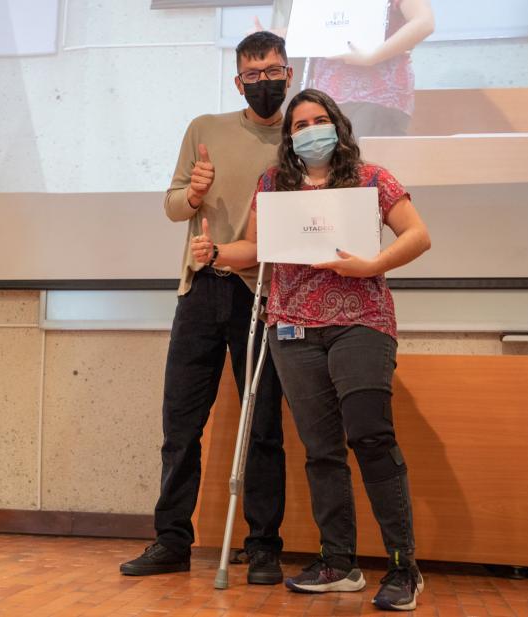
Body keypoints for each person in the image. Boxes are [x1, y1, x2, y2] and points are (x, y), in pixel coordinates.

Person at [190, 88, 431, 610]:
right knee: (321, 450)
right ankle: (339, 563)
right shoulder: (274, 184)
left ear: (337, 126)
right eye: (299, 125)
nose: (310, 131)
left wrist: (372, 265)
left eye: (319, 121)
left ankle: (402, 566)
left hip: (360, 323)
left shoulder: (371, 178)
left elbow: (418, 235)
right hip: (292, 329)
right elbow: (255, 249)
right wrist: (216, 253)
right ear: (289, 137)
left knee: (370, 436)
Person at [120, 31, 292, 585]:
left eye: (273, 72)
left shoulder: (301, 135)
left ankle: (263, 547)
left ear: (289, 74)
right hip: (199, 289)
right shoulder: (205, 129)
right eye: (253, 75)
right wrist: (194, 193)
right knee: (180, 424)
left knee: (262, 426)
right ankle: (172, 540)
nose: (264, 82)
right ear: (238, 81)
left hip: (261, 293)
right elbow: (173, 206)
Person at [264, 0, 435, 136]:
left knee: (368, 164)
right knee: (336, 166)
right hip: (328, 99)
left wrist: (373, 57)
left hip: (377, 97)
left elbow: (424, 21)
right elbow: (320, 26)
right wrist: (270, 37)